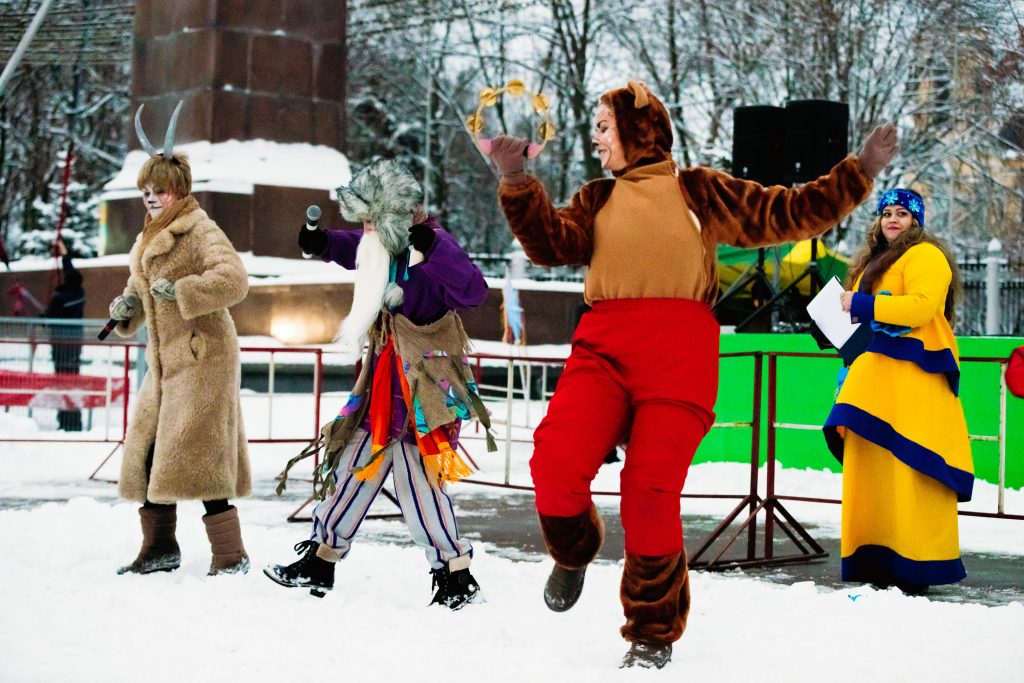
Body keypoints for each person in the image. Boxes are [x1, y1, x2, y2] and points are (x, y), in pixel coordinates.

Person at [481, 81, 897, 668]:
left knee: (649, 491)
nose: (596, 137)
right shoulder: (597, 197)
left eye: (605, 126)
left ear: (639, 130)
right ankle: (573, 551)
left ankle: (651, 631)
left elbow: (791, 210)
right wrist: (515, 181)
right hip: (604, 349)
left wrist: (860, 169)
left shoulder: (698, 191)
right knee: (553, 460)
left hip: (677, 357)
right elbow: (552, 245)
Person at [265, 159, 493, 609]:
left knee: (418, 477)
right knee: (354, 464)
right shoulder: (384, 242)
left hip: (427, 386)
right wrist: (323, 242)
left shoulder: (433, 244)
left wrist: (433, 247)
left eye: (371, 218)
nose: (366, 228)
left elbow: (474, 291)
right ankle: (322, 558)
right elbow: (359, 248)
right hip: (384, 382)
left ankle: (455, 575)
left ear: (395, 215)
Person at [108, 105, 251, 576]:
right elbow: (141, 284)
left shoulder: (201, 229)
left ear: (179, 191)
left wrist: (185, 291)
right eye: (146, 190)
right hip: (167, 363)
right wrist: (127, 306)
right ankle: (160, 549)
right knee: (152, 451)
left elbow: (234, 280)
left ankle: (231, 557)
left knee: (202, 456)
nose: (151, 198)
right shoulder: (149, 235)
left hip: (204, 355)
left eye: (160, 190)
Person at [825, 188, 972, 593]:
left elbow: (922, 307)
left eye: (903, 214)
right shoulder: (869, 263)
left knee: (911, 470)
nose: (893, 219)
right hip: (871, 377)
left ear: (917, 222)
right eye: (887, 213)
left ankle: (916, 564)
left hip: (913, 376)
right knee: (869, 470)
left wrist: (863, 305)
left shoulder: (926, 255)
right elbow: (856, 314)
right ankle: (875, 558)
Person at [45, 238, 85, 431]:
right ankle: (73, 421)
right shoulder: (79, 294)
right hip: (75, 346)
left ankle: (67, 421)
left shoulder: (60, 299)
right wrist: (65, 254)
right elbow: (71, 273)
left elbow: (49, 317)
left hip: (61, 346)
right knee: (72, 381)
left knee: (63, 381)